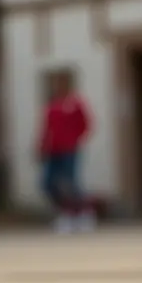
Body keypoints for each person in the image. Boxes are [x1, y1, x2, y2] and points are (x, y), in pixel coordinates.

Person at [36, 72, 94, 233]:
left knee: (71, 183)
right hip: (53, 150)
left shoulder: (75, 103)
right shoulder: (52, 105)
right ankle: (65, 213)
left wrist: (75, 140)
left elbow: (86, 124)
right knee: (47, 183)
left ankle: (82, 214)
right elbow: (46, 128)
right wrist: (41, 146)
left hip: (69, 149)